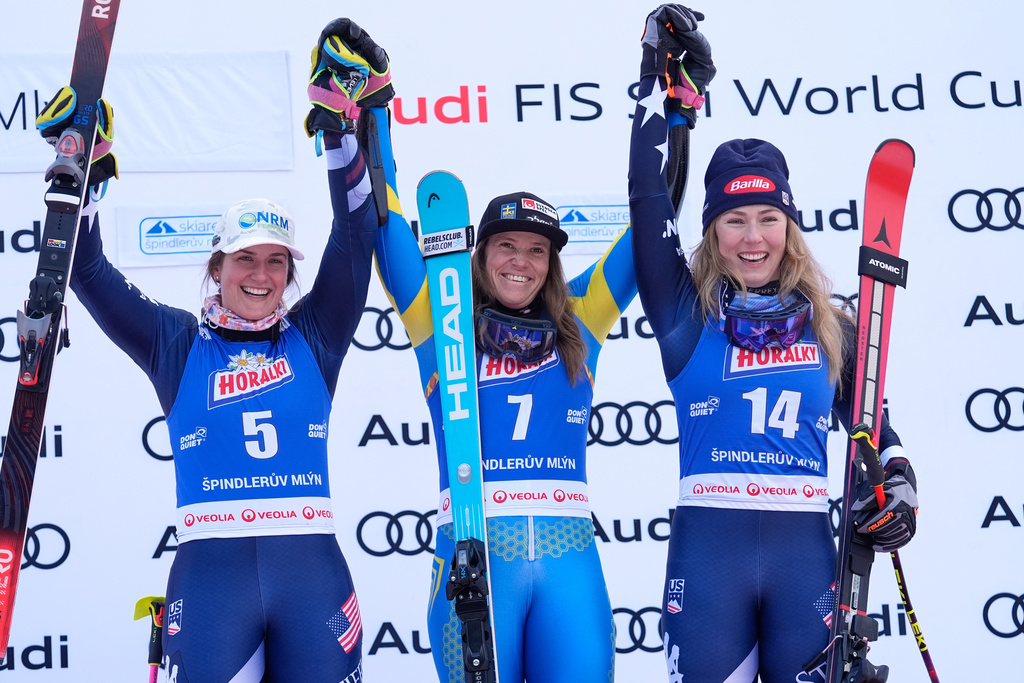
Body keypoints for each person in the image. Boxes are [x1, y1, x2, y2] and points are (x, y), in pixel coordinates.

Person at [42, 21, 392, 681]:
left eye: (275, 261)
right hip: (210, 581)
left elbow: (356, 233)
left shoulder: (316, 333)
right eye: (244, 259)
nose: (260, 275)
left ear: (289, 272)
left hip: (312, 577)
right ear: (217, 266)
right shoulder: (175, 343)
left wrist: (340, 130)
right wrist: (85, 176)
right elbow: (84, 271)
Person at [314, 23, 639, 682]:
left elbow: (648, 237)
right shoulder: (441, 316)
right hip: (473, 554)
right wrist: (376, 108)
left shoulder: (581, 318)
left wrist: (672, 113)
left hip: (569, 562)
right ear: (478, 253)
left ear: (552, 263)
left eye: (537, 250)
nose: (521, 262)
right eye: (506, 246)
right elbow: (386, 219)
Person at [628, 6, 920, 682]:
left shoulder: (832, 325)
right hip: (709, 563)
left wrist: (900, 482)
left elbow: (877, 431)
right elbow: (647, 200)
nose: (753, 237)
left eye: (768, 217)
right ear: (712, 231)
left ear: (790, 227)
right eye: (734, 219)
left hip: (805, 562)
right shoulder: (684, 314)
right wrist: (655, 84)